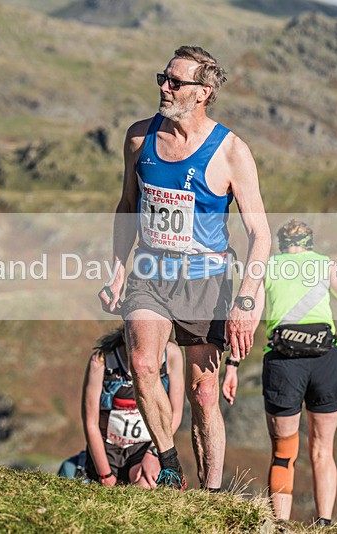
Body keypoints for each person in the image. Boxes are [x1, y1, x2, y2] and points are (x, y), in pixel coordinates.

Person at [98, 45, 271, 490]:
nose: (164, 87)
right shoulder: (139, 137)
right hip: (150, 274)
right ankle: (170, 463)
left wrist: (247, 298)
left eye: (175, 81)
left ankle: (211, 495)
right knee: (141, 364)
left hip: (205, 281)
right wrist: (118, 270)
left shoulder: (231, 151)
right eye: (162, 77)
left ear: (203, 93)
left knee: (204, 392)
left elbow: (260, 235)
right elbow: (127, 207)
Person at [224, 219, 337, 525]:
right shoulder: (326, 265)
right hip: (326, 361)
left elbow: (250, 319)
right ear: (310, 243)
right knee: (323, 450)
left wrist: (233, 365)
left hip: (284, 365)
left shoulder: (268, 268)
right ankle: (323, 523)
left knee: (284, 451)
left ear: (282, 245)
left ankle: (281, 524)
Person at [82, 325, 184, 488]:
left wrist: (154, 453)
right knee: (105, 495)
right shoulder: (101, 361)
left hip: (146, 446)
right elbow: (91, 423)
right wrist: (105, 474)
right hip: (108, 447)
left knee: (148, 485)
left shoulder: (171, 355)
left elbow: (176, 413)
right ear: (125, 336)